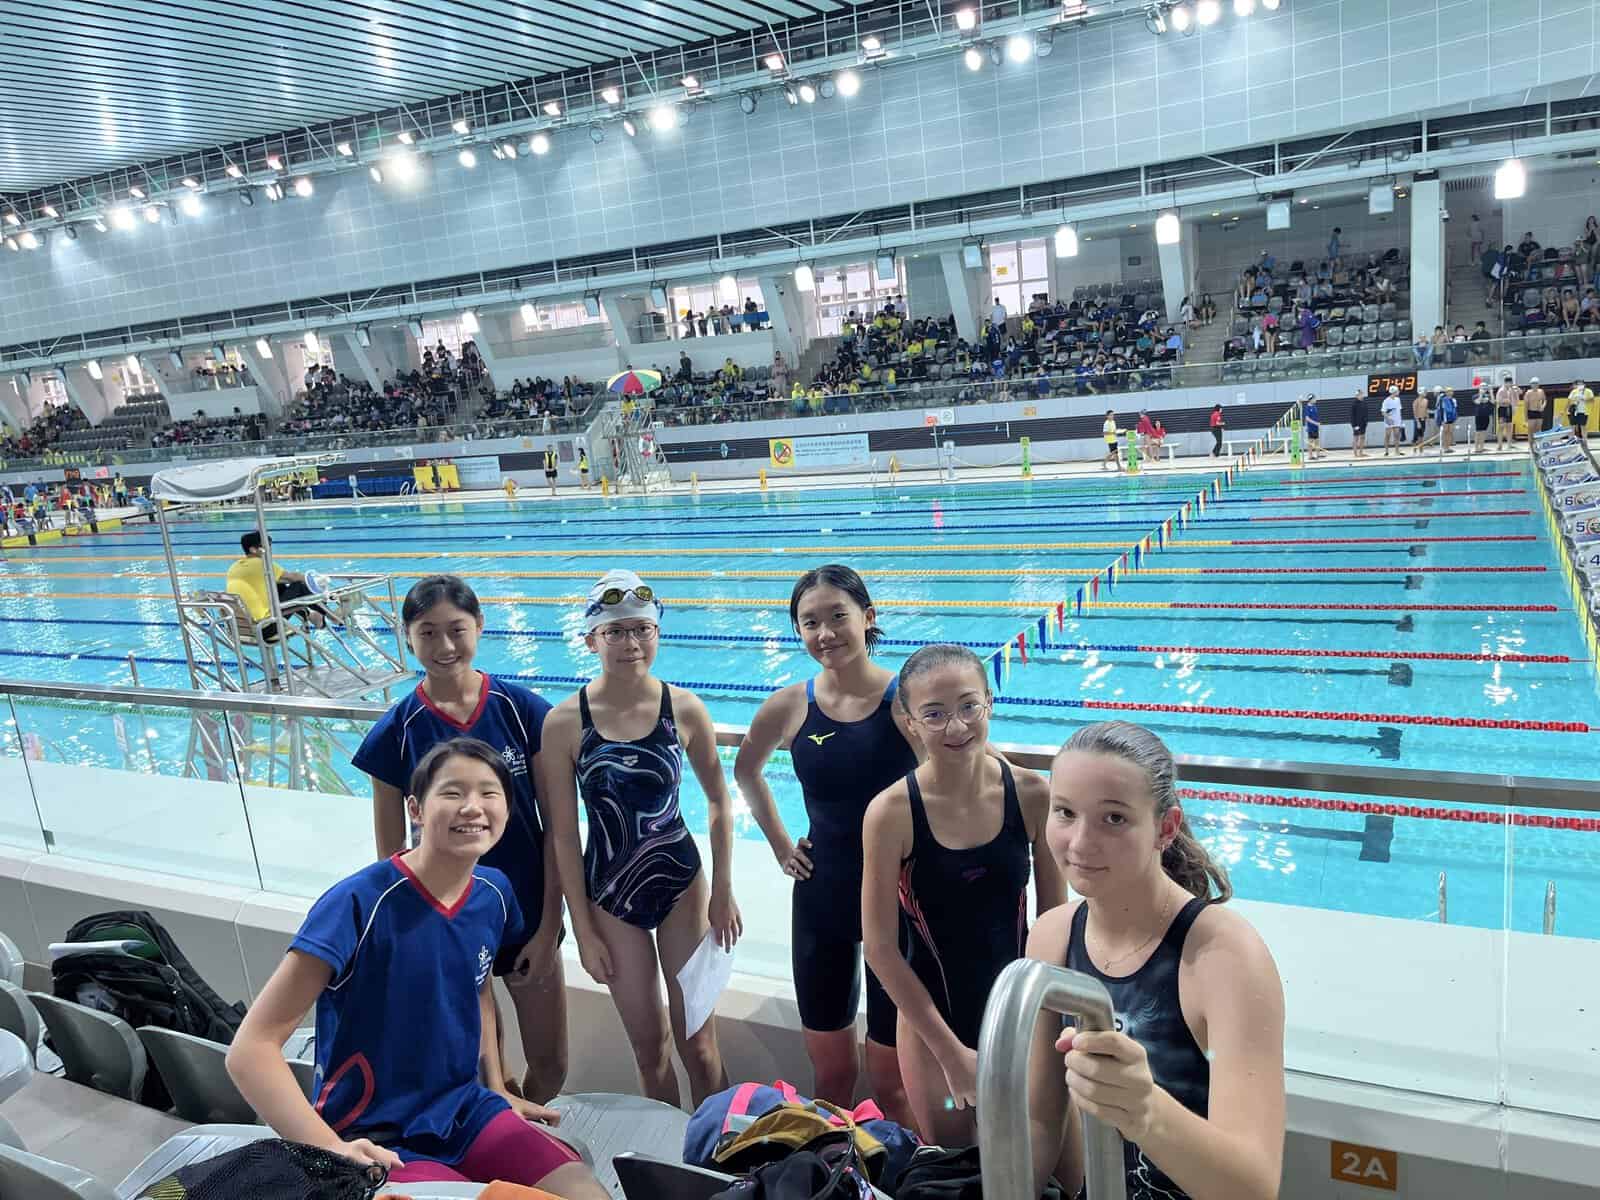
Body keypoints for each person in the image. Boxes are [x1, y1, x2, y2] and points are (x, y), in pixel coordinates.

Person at [226, 739, 605, 1198]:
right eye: (452, 792)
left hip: (466, 1111)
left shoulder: (494, 893)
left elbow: (477, 988)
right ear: (416, 809)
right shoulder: (357, 905)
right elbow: (251, 1049)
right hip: (374, 1132)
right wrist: (332, 1149)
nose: (472, 807)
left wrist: (497, 1087)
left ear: (508, 809)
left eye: (489, 793)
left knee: (585, 1192)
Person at [1025, 722, 1284, 1200]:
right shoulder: (1051, 936)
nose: (1079, 843)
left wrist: (1146, 1110)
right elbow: (1041, 1120)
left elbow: (1255, 1186)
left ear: (1165, 828)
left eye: (1114, 818)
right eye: (1065, 812)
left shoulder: (1223, 957)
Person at [353, 576, 569, 1101]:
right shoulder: (397, 730)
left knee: (552, 1065)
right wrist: (419, 933)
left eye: (457, 629)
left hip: (527, 911)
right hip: (448, 917)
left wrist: (549, 927)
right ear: (408, 636)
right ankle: (504, 1132)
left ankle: (527, 1124)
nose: (444, 646)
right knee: (484, 1073)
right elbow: (392, 856)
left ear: (479, 627)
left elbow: (558, 828)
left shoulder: (522, 710)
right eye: (428, 632)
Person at [540, 571, 741, 1109]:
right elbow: (564, 835)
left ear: (657, 633)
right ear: (591, 639)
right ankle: (669, 1154)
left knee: (700, 1044)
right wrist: (583, 930)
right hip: (609, 896)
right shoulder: (564, 723)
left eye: (641, 629)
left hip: (682, 884)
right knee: (650, 1051)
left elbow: (720, 803)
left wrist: (723, 890)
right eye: (615, 631)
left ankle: (719, 1150)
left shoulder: (684, 708)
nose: (631, 643)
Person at [734, 566, 916, 1124]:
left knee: (893, 1081)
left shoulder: (906, 702)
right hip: (824, 897)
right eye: (810, 622)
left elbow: (963, 775)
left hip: (901, 904)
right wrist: (780, 845)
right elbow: (746, 771)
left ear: (868, 617)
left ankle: (908, 1167)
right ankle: (838, 1166)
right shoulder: (790, 705)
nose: (826, 633)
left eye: (838, 616)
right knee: (832, 1075)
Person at [863, 644, 1064, 1147]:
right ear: (910, 722)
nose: (956, 726)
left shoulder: (1032, 794)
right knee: (955, 1170)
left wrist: (1047, 1021)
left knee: (1054, 1171)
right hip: (933, 1025)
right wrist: (951, 1054)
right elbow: (880, 948)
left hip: (1020, 1012)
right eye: (934, 714)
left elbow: (1054, 923)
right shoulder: (891, 813)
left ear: (989, 703)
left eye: (969, 706)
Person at [225, 532, 331, 640]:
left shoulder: (235, 567)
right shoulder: (261, 564)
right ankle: (332, 617)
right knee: (298, 586)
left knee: (278, 586)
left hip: (242, 629)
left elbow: (282, 580)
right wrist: (318, 582)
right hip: (266, 628)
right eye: (266, 546)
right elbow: (294, 577)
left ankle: (311, 615)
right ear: (253, 549)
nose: (269, 549)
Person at [1495, 374, 1519, 450]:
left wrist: (1514, 407)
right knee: (1501, 427)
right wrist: (1505, 400)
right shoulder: (1501, 390)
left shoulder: (1510, 390)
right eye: (1510, 383)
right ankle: (1500, 445)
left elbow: (1515, 399)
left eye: (1511, 383)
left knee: (1509, 426)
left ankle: (1509, 444)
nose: (1511, 384)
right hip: (1502, 409)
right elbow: (1498, 401)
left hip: (1509, 409)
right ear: (1506, 383)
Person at [1381, 384, 1403, 456]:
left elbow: (1399, 411)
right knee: (1388, 435)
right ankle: (1386, 451)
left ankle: (1397, 451)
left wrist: (1401, 421)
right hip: (1389, 421)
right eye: (1397, 391)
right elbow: (1383, 412)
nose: (1399, 392)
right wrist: (1389, 418)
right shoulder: (1386, 401)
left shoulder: (1398, 399)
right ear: (1394, 392)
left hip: (1397, 420)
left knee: (1397, 435)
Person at [1472, 382, 1493, 454]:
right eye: (1482, 387)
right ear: (1479, 388)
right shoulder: (1475, 396)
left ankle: (1482, 447)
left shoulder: (1488, 396)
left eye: (1485, 387)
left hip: (1486, 416)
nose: (1484, 388)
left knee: (1484, 432)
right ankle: (1476, 448)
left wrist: (1491, 392)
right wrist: (1481, 394)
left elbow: (1493, 402)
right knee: (1478, 432)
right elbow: (1477, 402)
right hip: (1479, 416)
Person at [1524, 376, 1548, 441]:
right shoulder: (1528, 393)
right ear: (1531, 385)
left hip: (1539, 412)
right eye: (1533, 383)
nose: (1535, 385)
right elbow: (1525, 406)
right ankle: (1531, 445)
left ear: (1538, 384)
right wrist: (1525, 418)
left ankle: (1537, 444)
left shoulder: (1541, 391)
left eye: (1536, 383)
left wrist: (1543, 406)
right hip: (1531, 412)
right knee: (1530, 431)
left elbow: (1545, 400)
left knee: (1538, 430)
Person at [1437, 387, 1458, 453]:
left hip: (1452, 418)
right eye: (1448, 391)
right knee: (1445, 433)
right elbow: (1440, 410)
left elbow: (1455, 409)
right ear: (1446, 393)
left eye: (1451, 391)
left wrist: (1455, 418)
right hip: (1445, 418)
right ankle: (1444, 448)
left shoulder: (1454, 400)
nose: (1450, 393)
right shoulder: (1442, 400)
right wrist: (1442, 420)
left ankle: (1448, 447)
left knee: (1450, 433)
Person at [1349, 388, 1369, 458]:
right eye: (1360, 394)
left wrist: (1366, 421)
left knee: (1362, 437)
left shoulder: (1364, 403)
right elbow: (1352, 416)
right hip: (1356, 424)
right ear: (1357, 395)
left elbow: (1366, 413)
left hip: (1363, 423)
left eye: (1362, 394)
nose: (1362, 395)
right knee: (1356, 438)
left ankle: (1361, 452)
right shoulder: (1354, 404)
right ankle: (1355, 454)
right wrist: (1354, 425)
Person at [1411, 387, 1430, 455]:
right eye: (1425, 392)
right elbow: (1415, 412)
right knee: (1417, 436)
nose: (1426, 393)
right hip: (1417, 420)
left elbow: (1426, 410)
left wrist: (1428, 419)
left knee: (1421, 435)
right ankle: (1417, 450)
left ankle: (1420, 450)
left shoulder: (1426, 400)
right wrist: (1418, 422)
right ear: (1421, 393)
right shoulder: (1416, 401)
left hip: (1423, 419)